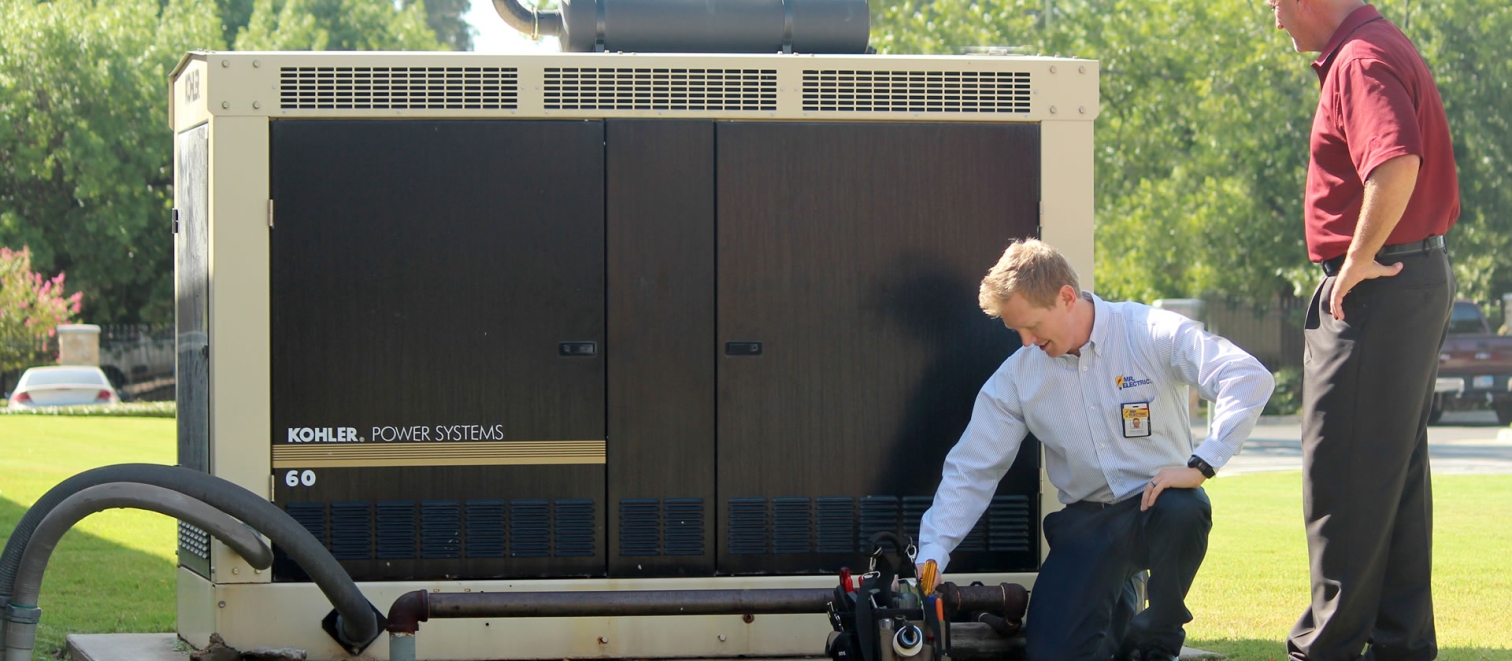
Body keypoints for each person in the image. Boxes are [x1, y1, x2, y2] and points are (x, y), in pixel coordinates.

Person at [914, 239, 1274, 661]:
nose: (1026, 342)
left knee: (1187, 507)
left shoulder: (1147, 331)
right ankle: (1120, 605)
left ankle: (1157, 643)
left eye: (1031, 326)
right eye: (1017, 331)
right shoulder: (1017, 377)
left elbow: (1246, 376)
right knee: (1052, 654)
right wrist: (934, 549)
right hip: (1086, 526)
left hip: (1154, 507)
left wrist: (1201, 465)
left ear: (1066, 297)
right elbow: (973, 468)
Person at [1266, 1, 1459, 659]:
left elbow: (1395, 162)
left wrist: (1353, 261)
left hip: (1378, 287)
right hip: (1409, 280)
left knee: (1343, 474)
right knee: (1389, 476)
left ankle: (1325, 648)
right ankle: (1400, 644)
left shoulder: (1362, 57)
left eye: (1276, 6)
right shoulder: (1375, 46)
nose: (1276, 22)